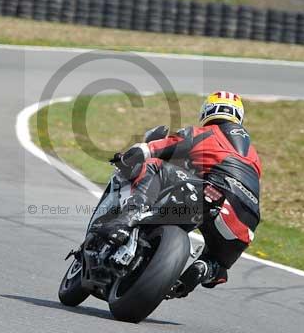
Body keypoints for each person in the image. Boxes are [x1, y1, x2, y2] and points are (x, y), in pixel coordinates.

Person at [92, 91, 262, 297]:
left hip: (212, 190)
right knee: (217, 262)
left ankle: (127, 219)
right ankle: (205, 269)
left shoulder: (205, 133)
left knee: (154, 166)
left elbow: (165, 146)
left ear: (207, 111)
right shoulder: (253, 155)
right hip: (246, 218)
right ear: (239, 116)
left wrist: (137, 152)